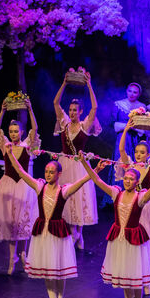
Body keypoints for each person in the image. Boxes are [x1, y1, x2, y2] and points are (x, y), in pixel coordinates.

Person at [82, 158, 150, 298]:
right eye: (126, 178)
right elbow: (96, 180)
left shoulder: (140, 197)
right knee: (125, 278)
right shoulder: (117, 193)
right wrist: (87, 164)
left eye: (131, 179)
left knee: (136, 278)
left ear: (137, 182)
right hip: (119, 240)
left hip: (134, 241)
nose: (128, 181)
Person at [4, 146, 90, 298]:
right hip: (43, 233)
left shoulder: (63, 190)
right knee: (48, 271)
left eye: (52, 172)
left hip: (58, 233)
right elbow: (21, 172)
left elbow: (81, 183)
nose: (48, 174)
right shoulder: (39, 187)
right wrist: (9, 154)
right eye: (47, 171)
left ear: (59, 174)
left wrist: (92, 170)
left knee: (59, 271)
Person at [116, 119, 150, 295]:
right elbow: (122, 150)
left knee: (147, 241)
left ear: (147, 154)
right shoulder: (130, 166)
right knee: (134, 242)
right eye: (137, 152)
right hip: (131, 208)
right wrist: (126, 130)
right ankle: (135, 273)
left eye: (142, 152)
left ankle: (147, 280)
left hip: (147, 208)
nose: (138, 155)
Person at [0, 98, 40, 274]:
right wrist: (2, 111)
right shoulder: (5, 145)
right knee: (12, 223)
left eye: (15, 131)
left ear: (21, 132)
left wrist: (31, 109)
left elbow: (35, 130)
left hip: (23, 186)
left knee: (23, 222)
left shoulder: (27, 145)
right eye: (11, 131)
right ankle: (12, 259)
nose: (12, 134)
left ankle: (24, 254)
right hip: (8, 185)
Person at [53, 72, 102, 250]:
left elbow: (94, 108)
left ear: (80, 112)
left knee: (79, 198)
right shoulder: (65, 123)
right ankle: (74, 234)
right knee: (67, 197)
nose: (72, 112)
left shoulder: (84, 125)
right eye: (71, 110)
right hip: (65, 164)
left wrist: (89, 85)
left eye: (75, 110)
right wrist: (64, 83)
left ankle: (78, 233)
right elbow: (56, 103)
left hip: (79, 165)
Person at [112, 82, 147, 165]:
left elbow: (143, 126)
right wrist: (126, 126)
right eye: (130, 91)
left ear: (139, 94)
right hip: (122, 137)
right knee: (120, 160)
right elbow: (113, 124)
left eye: (135, 92)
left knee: (134, 160)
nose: (131, 94)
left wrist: (135, 127)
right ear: (126, 91)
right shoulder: (118, 104)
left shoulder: (142, 107)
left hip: (135, 138)